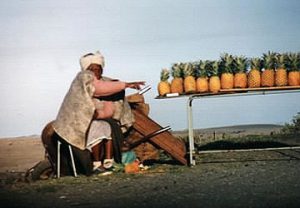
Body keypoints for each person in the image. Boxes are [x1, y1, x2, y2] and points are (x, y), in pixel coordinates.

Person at [51, 51, 144, 175]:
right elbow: (98, 88)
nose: (96, 71)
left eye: (98, 68)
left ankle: (108, 162)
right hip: (80, 123)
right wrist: (125, 85)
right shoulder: (82, 78)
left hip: (102, 120)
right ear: (86, 69)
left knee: (110, 126)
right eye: (92, 69)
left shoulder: (108, 81)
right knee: (99, 127)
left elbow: (111, 96)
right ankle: (96, 164)